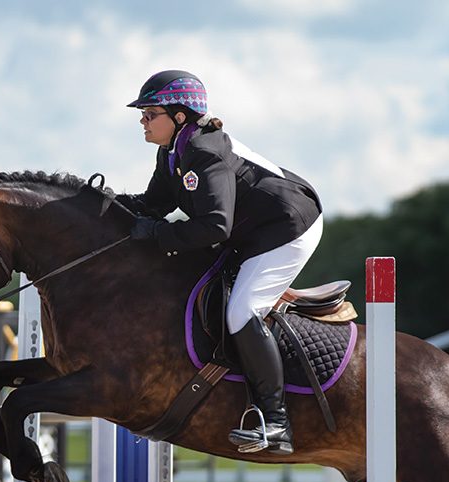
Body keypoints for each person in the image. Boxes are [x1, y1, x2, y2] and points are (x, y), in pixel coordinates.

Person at [121, 69, 323, 455]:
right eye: (142, 115)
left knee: (241, 311)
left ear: (179, 116)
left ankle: (276, 422)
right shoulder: (173, 152)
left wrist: (158, 235)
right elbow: (149, 206)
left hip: (288, 227)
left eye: (150, 114)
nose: (143, 122)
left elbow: (214, 227)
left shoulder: (203, 152)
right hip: (252, 228)